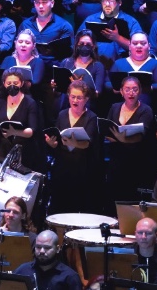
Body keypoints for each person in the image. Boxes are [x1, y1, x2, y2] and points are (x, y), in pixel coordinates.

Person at [43, 80, 102, 215]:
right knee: (60, 206)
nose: (75, 100)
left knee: (78, 207)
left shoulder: (91, 117)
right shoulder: (62, 114)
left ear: (86, 99)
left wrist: (72, 143)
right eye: (73, 97)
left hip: (82, 168)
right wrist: (52, 144)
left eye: (79, 97)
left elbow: (88, 143)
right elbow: (58, 138)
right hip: (63, 167)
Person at [102, 74, 157, 206]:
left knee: (131, 202)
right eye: (127, 89)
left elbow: (140, 136)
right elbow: (108, 131)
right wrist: (121, 138)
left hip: (137, 163)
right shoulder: (115, 107)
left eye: (134, 89)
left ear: (140, 91)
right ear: (121, 91)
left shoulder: (146, 110)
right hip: (116, 161)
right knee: (113, 200)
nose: (131, 92)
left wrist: (120, 139)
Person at [0, 67, 42, 172]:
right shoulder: (0, 103)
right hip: (2, 149)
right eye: (9, 83)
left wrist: (15, 132)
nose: (12, 86)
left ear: (21, 83)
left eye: (15, 83)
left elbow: (31, 131)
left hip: (23, 151)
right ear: (4, 84)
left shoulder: (30, 103)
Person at [109, 31, 157, 118]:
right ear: (129, 46)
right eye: (135, 43)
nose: (139, 46)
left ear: (149, 46)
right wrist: (117, 88)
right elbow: (107, 83)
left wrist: (147, 88)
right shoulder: (119, 63)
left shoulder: (156, 64)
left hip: (146, 110)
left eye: (143, 43)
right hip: (121, 110)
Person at [20, 0, 73, 72]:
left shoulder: (64, 26)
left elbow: (68, 54)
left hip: (54, 69)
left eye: (44, 2)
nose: (41, 6)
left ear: (52, 3)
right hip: (29, 68)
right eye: (38, 2)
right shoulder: (26, 24)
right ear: (34, 4)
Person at [13, 229, 81, 290]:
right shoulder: (22, 270)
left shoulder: (69, 277)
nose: (42, 251)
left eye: (47, 248)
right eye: (38, 247)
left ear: (57, 249)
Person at [3, 29, 48, 106]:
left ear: (33, 46)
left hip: (30, 102)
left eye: (27, 43)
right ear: (15, 44)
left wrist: (12, 83)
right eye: (20, 42)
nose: (23, 45)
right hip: (8, 100)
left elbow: (35, 83)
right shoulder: (8, 60)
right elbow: (1, 82)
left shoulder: (38, 62)